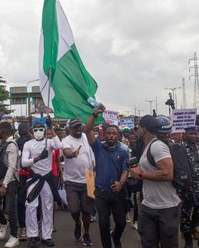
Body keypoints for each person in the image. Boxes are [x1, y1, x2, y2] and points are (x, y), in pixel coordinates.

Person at [128, 115, 181, 248]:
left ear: (144, 129)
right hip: (149, 206)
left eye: (139, 127)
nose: (137, 130)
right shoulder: (147, 146)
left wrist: (140, 175)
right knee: (148, 243)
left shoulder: (157, 146)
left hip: (166, 207)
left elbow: (167, 173)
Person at [85, 106, 129, 248]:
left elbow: (125, 170)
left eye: (114, 133)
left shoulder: (123, 151)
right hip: (101, 193)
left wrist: (121, 183)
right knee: (103, 223)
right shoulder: (98, 147)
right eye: (108, 133)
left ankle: (116, 236)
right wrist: (94, 114)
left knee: (121, 223)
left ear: (118, 136)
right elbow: (87, 130)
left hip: (117, 193)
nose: (111, 135)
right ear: (104, 134)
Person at [21, 120, 61, 247]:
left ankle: (46, 236)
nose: (38, 132)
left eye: (41, 129)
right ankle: (32, 235)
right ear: (32, 131)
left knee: (48, 208)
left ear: (45, 131)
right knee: (31, 206)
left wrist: (51, 128)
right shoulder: (28, 144)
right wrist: (38, 158)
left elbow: (58, 145)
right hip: (34, 179)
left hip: (47, 179)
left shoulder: (49, 143)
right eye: (36, 129)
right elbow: (24, 162)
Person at [61, 118, 96, 246]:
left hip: (89, 178)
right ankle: (77, 223)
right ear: (69, 129)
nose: (77, 129)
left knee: (87, 211)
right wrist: (72, 154)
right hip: (71, 180)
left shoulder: (87, 138)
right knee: (74, 209)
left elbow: (94, 150)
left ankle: (86, 233)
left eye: (79, 126)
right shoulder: (66, 140)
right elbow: (66, 151)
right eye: (74, 127)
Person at [179, 126, 199, 248]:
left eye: (195, 134)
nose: (193, 136)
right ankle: (188, 241)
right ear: (185, 134)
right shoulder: (180, 149)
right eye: (191, 133)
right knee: (184, 216)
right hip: (185, 189)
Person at [0, 122, 20, 248]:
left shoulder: (12, 145)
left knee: (11, 209)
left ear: (3, 131)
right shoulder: (0, 144)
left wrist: (5, 185)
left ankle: (14, 236)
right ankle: (3, 222)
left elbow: (12, 166)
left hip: (10, 181)